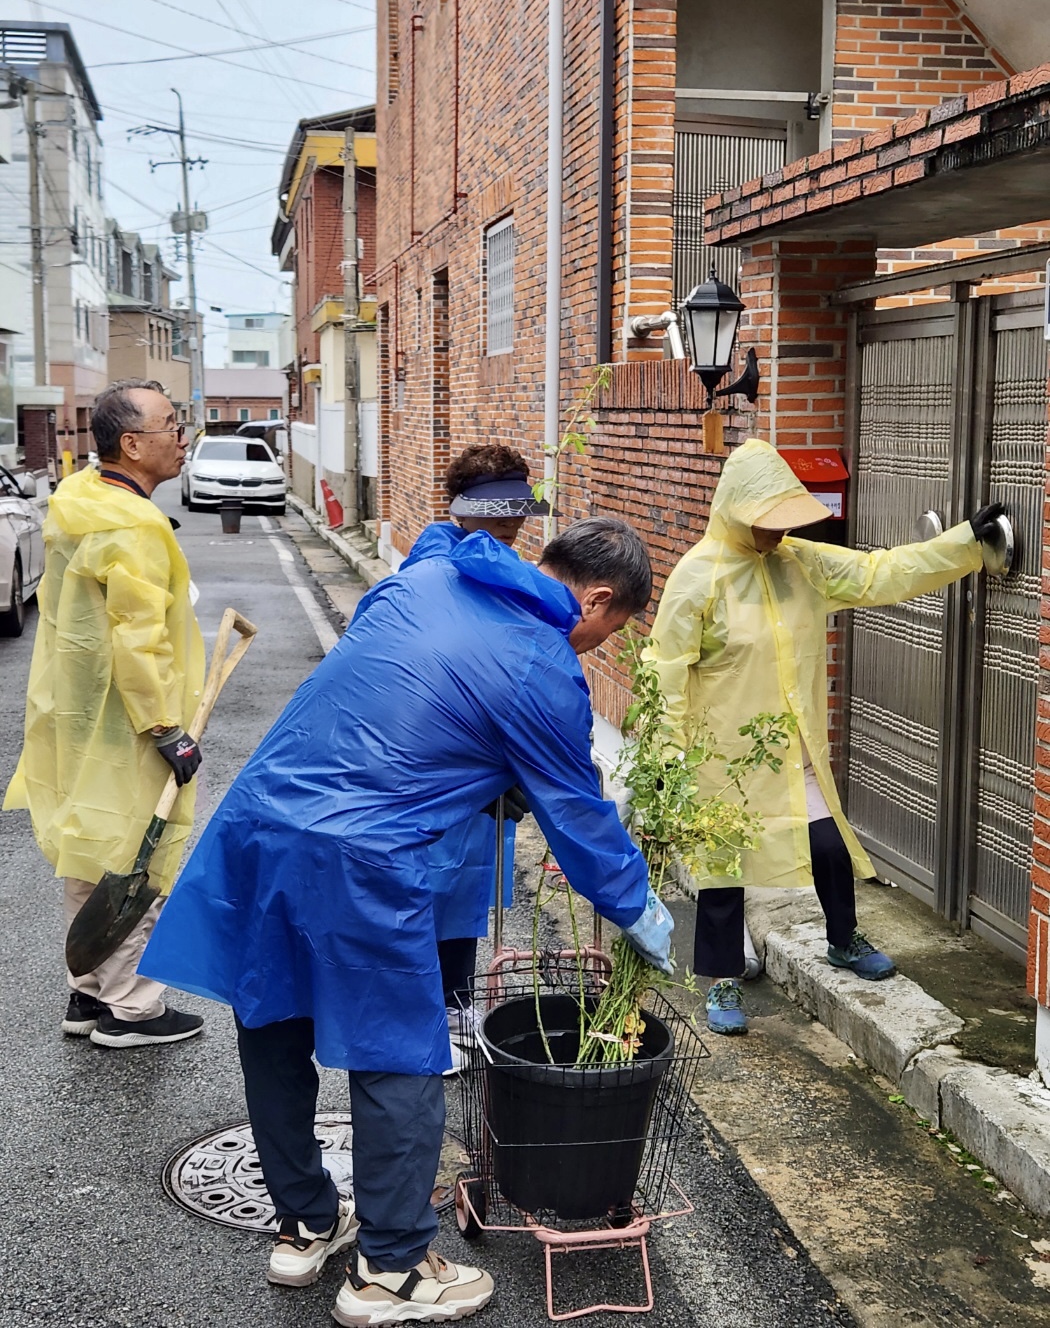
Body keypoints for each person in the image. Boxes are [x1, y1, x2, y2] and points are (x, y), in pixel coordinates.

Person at [138, 517, 673, 1326]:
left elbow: (416, 704)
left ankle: (306, 1224)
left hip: (262, 822)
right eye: (613, 626)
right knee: (399, 1054)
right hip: (362, 857)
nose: (599, 643)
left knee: (273, 1023)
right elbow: (582, 822)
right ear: (596, 598)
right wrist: (643, 913)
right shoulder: (543, 663)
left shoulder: (428, 580)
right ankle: (390, 1270)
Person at [645, 438, 1004, 1037]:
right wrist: (668, 760)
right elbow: (666, 672)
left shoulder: (802, 563)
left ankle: (843, 940)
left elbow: (879, 572)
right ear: (734, 511)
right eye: (766, 525)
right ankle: (723, 978)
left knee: (830, 848)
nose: (775, 536)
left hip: (791, 750)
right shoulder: (697, 579)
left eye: (783, 524)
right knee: (722, 874)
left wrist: (964, 542)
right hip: (722, 759)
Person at [3, 380, 206, 1048]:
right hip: (127, 719)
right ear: (132, 443)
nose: (183, 438)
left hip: (76, 708)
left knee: (90, 851)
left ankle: (87, 993)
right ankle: (132, 1010)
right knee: (136, 859)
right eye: (172, 426)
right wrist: (166, 728)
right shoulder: (135, 524)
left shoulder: (80, 500)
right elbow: (138, 639)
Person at [396, 443, 548, 1071]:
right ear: (462, 510)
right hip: (433, 763)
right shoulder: (427, 573)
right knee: (421, 888)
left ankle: (455, 1003)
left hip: (484, 769)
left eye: (518, 514)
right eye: (499, 514)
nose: (513, 527)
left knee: (465, 888)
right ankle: (420, 1021)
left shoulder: (501, 566)